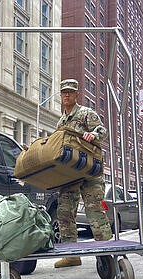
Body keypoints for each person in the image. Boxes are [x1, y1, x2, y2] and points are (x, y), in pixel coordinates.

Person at [54, 79, 112, 268]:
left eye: (70, 92)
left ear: (77, 94)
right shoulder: (61, 122)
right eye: (64, 93)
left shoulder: (86, 113)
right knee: (64, 212)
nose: (67, 95)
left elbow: (102, 130)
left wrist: (93, 135)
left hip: (89, 170)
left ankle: (106, 251)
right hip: (69, 173)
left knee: (94, 210)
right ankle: (71, 255)